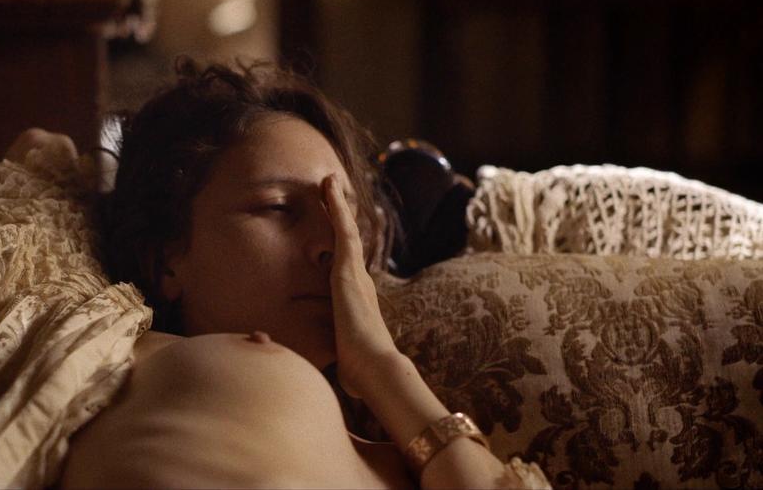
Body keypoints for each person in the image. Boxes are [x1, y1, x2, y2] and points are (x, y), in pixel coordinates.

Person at [59, 58, 546, 488]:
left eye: (346, 215)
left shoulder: (387, 452)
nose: (334, 246)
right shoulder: (193, 368)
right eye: (278, 208)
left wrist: (380, 364)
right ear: (165, 257)